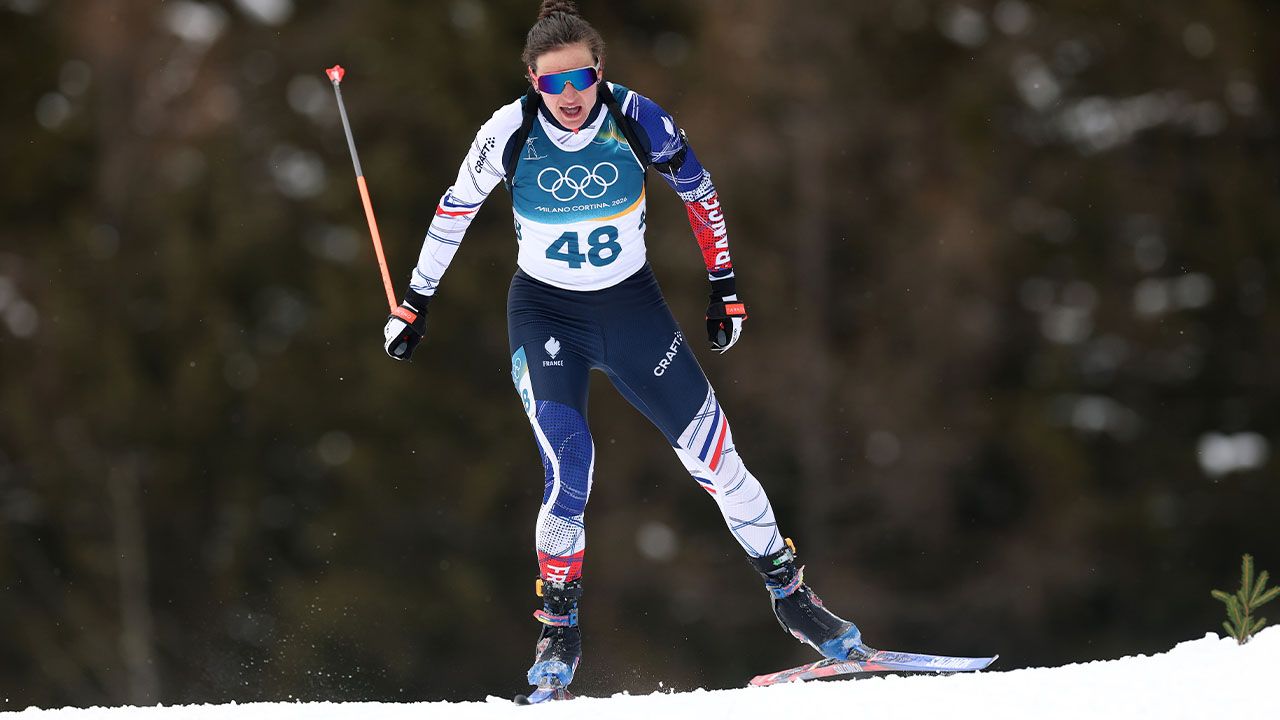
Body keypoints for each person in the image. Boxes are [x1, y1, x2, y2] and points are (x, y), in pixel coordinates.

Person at [382, 0, 866, 692]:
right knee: (570, 466)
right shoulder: (508, 131)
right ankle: (559, 628)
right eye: (553, 84)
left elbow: (700, 194)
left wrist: (723, 284)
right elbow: (455, 209)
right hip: (547, 316)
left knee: (717, 458)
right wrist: (415, 300)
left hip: (632, 310)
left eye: (581, 79)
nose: (570, 97)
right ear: (531, 82)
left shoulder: (638, 118)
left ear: (600, 70)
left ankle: (793, 598)